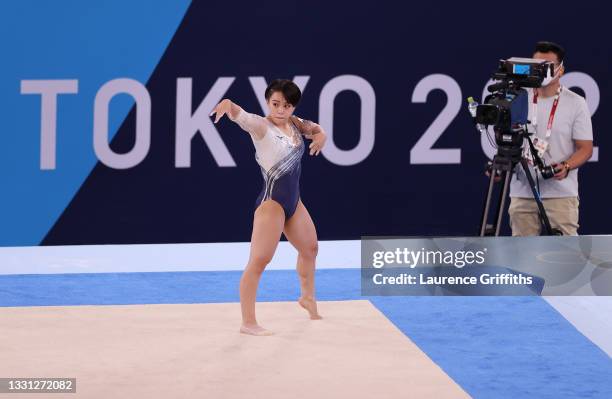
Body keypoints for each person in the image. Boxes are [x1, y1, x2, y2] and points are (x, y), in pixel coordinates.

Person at [210, 79, 327, 336]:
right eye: (275, 104)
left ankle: (307, 297)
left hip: (293, 202)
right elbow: (241, 116)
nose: (280, 110)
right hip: (272, 204)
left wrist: (321, 137)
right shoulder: (262, 126)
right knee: (259, 261)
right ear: (268, 102)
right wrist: (228, 105)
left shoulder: (296, 124)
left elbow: (315, 128)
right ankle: (248, 322)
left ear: (293, 106)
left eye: (286, 105)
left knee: (310, 248)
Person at [508, 41, 593, 236]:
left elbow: (585, 148)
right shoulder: (518, 100)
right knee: (521, 256)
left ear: (561, 70)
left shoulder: (576, 103)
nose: (541, 71)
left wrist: (567, 166)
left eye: (547, 66)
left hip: (560, 194)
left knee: (565, 258)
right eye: (537, 65)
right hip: (522, 193)